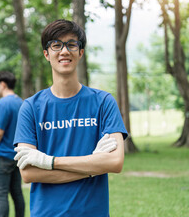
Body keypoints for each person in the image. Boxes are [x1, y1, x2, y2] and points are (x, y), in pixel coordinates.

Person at [13, 19, 128, 217]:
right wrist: (93, 165)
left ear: (80, 52)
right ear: (46, 54)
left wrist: (49, 161)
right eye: (56, 45)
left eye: (71, 44)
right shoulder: (30, 107)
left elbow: (115, 162)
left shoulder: (103, 102)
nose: (64, 51)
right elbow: (29, 173)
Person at [0, 71, 25, 217]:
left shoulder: (3, 103)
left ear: (3, 84)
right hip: (17, 155)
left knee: (1, 194)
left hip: (2, 155)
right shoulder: (20, 102)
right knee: (17, 193)